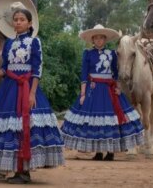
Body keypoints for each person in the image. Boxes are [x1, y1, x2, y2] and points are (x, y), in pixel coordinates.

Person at [0, 0, 64, 184]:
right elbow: (6, 69)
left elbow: (37, 69)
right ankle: (17, 170)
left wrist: (32, 93)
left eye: (21, 19)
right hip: (9, 89)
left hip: (26, 88)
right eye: (15, 19)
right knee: (12, 129)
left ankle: (24, 172)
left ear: (29, 23)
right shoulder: (8, 44)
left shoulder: (35, 42)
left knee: (27, 128)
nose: (18, 22)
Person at [61, 24, 145, 161]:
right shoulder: (87, 53)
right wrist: (82, 94)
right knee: (95, 122)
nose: (99, 40)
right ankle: (98, 152)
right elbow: (84, 74)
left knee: (111, 121)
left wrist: (118, 87)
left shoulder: (112, 54)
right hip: (93, 90)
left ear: (105, 40)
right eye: (96, 38)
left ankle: (110, 152)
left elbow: (115, 72)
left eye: (102, 38)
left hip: (109, 90)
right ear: (92, 40)